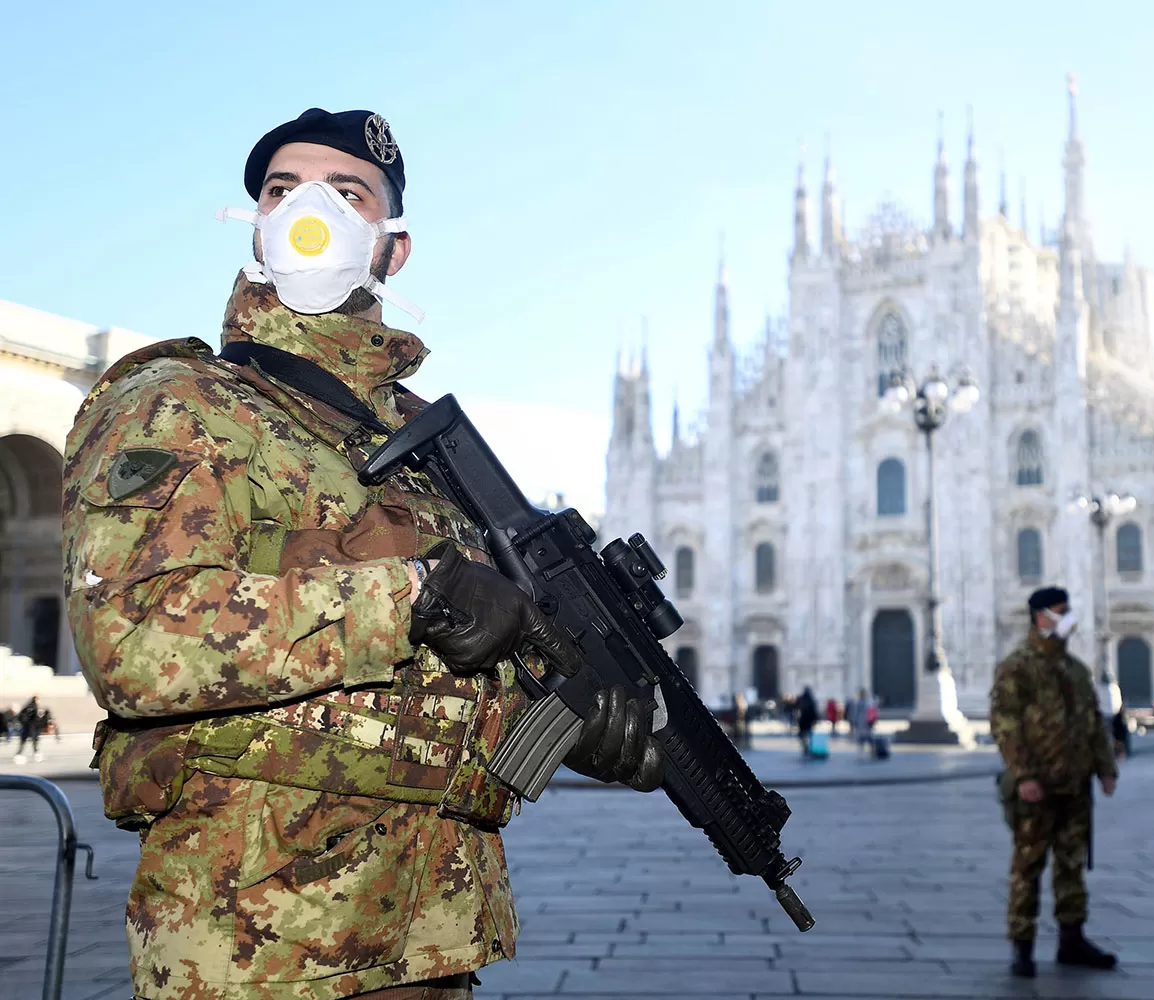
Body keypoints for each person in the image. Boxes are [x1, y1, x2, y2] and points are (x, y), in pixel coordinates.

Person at [60, 108, 666, 1000]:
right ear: (256, 222)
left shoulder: (427, 444)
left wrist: (571, 722)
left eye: (346, 193)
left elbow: (446, 671)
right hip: (254, 944)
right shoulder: (179, 402)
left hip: (431, 938)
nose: (311, 212)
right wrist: (417, 595)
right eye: (281, 189)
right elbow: (135, 644)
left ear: (393, 246)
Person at [990, 587, 1119, 979]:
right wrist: (1025, 775)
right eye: (1061, 612)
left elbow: (1093, 723)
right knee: (1027, 868)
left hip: (1075, 787)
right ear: (1040, 617)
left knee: (1071, 866)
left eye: (1068, 611)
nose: (1068, 619)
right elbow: (1005, 725)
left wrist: (1105, 767)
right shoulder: (1018, 667)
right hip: (1037, 788)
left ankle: (1071, 939)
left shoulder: (1076, 670)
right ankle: (1022, 947)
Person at [13, 696, 41, 765]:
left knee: (24, 741)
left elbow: (21, 715)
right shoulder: (33, 706)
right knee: (33, 740)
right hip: (30, 727)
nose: (39, 701)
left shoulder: (28, 705)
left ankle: (19, 754)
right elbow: (33, 717)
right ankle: (36, 754)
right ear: (35, 699)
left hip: (26, 727)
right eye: (38, 699)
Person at [795, 686, 819, 756]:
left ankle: (805, 747)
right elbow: (814, 711)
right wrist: (815, 720)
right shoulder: (811, 699)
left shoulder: (801, 699)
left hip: (802, 720)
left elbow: (796, 708)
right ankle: (809, 747)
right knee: (810, 735)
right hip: (809, 721)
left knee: (803, 735)